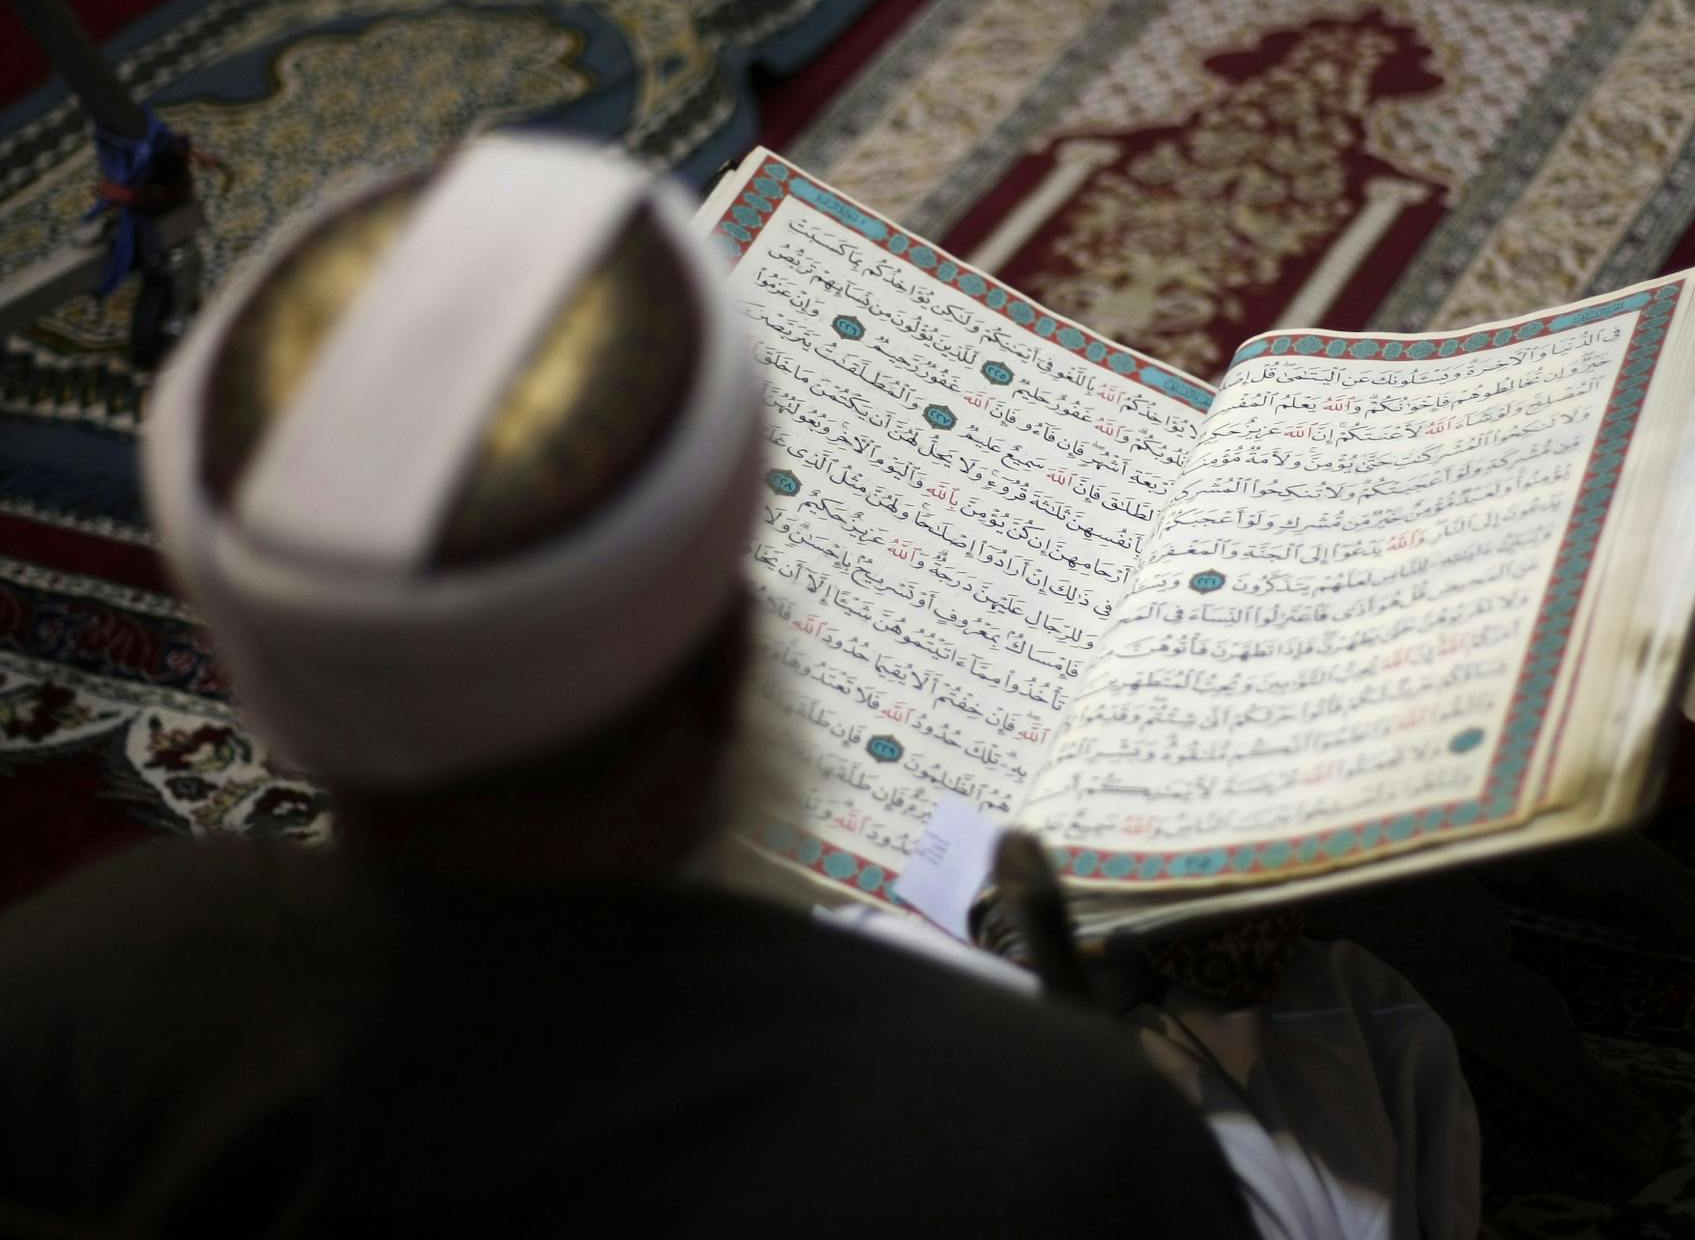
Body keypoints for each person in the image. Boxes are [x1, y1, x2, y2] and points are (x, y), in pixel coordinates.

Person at [0, 138, 1258, 1238]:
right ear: (721, 666)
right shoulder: (1049, 1135)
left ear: (272, 695)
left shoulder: (81, 983)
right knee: (1358, 1038)